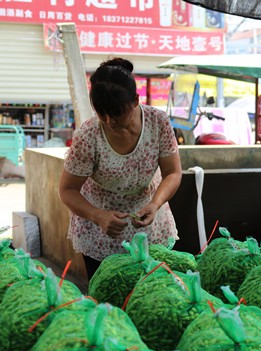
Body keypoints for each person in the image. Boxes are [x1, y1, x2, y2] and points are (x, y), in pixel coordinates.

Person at [59, 57, 182, 280]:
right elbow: (67, 190)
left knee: (152, 292)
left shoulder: (158, 123)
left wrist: (155, 204)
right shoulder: (88, 136)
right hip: (101, 230)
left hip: (150, 225)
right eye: (101, 113)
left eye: (116, 113)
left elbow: (173, 173)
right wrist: (98, 216)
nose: (109, 121)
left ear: (135, 101)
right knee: (108, 297)